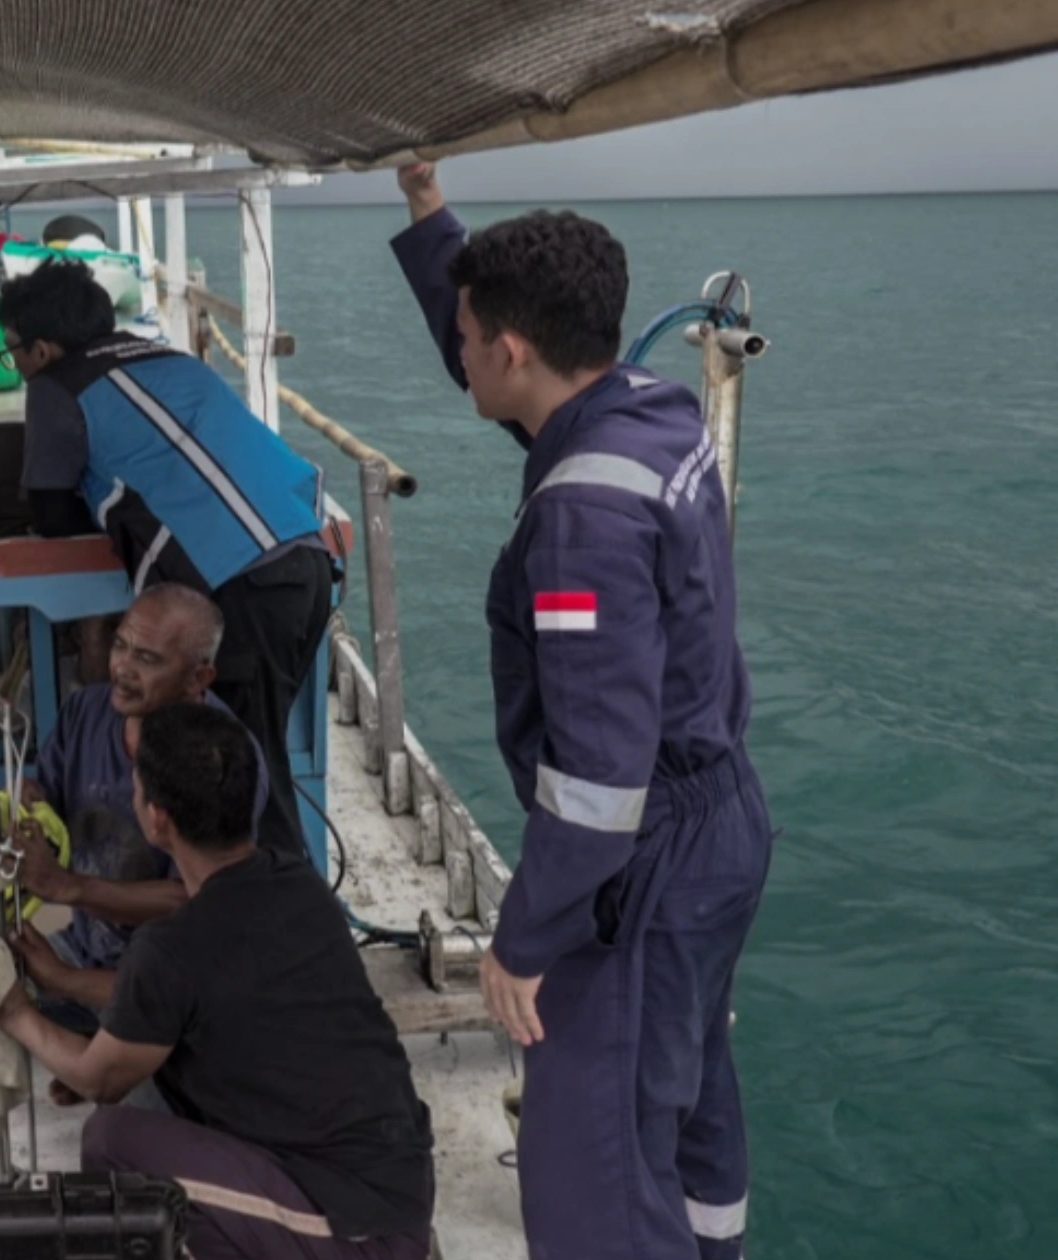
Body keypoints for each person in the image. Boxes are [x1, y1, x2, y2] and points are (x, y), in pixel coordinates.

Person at [389, 163, 773, 1260]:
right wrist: (430, 221)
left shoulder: (581, 522)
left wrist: (523, 940)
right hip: (719, 828)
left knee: (593, 1169)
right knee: (688, 1105)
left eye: (464, 337)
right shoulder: (643, 412)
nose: (456, 350)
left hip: (640, 861)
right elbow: (494, 360)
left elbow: (600, 782)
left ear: (509, 348)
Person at [0, 704, 435, 1260]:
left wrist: (12, 1012)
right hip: (397, 1190)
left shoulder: (171, 949)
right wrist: (63, 980)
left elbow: (95, 1078)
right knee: (155, 1087)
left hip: (350, 1230)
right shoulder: (297, 884)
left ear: (157, 819)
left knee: (111, 1140)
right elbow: (170, 1001)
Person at [0, 259, 333, 859]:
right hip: (305, 559)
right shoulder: (167, 358)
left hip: (235, 587)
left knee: (241, 789)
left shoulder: (57, 387)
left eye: (12, 353)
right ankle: (258, 920)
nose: (15, 366)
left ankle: (294, 933)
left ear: (42, 349)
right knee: (256, 764)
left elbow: (50, 516)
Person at [7, 584, 274, 1038]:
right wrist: (32, 802)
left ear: (198, 679)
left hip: (167, 968)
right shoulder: (82, 713)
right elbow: (50, 802)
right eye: (120, 646)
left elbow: (195, 898)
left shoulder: (225, 760)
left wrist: (69, 886)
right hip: (80, 937)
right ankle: (84, 1026)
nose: (122, 669)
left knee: (125, 1089)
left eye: (148, 659)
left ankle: (92, 1039)